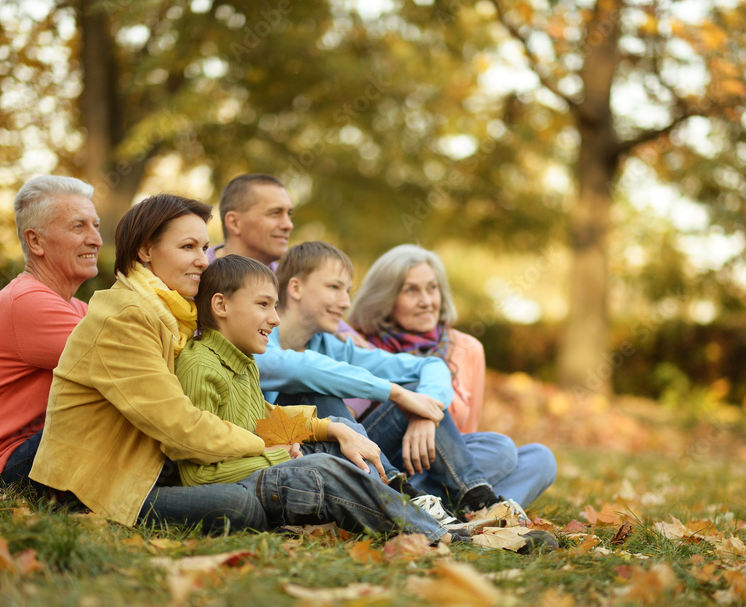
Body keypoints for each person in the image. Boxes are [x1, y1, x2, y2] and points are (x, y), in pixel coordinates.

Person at [28, 194, 451, 542]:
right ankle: (420, 529)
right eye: (187, 247)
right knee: (245, 504)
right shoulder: (126, 317)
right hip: (97, 487)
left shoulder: (176, 315)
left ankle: (419, 521)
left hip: (152, 470)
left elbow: (252, 415)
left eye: (204, 248)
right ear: (145, 251)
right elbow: (181, 428)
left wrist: (328, 427)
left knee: (325, 448)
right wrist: (266, 449)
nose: (203, 260)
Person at [173, 254, 463, 528]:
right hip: (246, 482)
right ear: (221, 306)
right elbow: (200, 475)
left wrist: (333, 428)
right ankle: (413, 514)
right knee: (326, 449)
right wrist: (280, 455)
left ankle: (427, 504)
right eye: (263, 305)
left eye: (274, 306)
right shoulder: (205, 366)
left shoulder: (245, 360)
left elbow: (264, 419)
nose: (274, 319)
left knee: (341, 435)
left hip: (269, 462)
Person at [257, 241, 527, 521]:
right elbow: (302, 369)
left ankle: (479, 502)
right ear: (296, 288)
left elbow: (430, 364)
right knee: (315, 394)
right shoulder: (259, 339)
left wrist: (425, 414)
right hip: (288, 461)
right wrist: (394, 392)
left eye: (347, 291)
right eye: (334, 288)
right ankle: (403, 495)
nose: (346, 302)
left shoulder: (331, 345)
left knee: (421, 395)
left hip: (346, 452)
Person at [348, 244, 557, 508]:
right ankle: (417, 499)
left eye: (432, 288)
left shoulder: (467, 349)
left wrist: (427, 420)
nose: (426, 300)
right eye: (411, 290)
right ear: (385, 298)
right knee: (503, 450)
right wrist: (418, 411)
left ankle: (444, 510)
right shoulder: (358, 345)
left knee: (538, 457)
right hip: (383, 461)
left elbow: (467, 433)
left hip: (444, 464)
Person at [0, 175, 101, 491]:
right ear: (35, 241)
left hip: (29, 451)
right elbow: (129, 364)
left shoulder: (73, 306)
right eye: (79, 227)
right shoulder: (28, 301)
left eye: (96, 226)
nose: (96, 239)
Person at [207, 173, 293, 266]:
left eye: (289, 214)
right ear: (234, 223)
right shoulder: (196, 274)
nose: (288, 225)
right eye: (275, 213)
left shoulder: (289, 279)